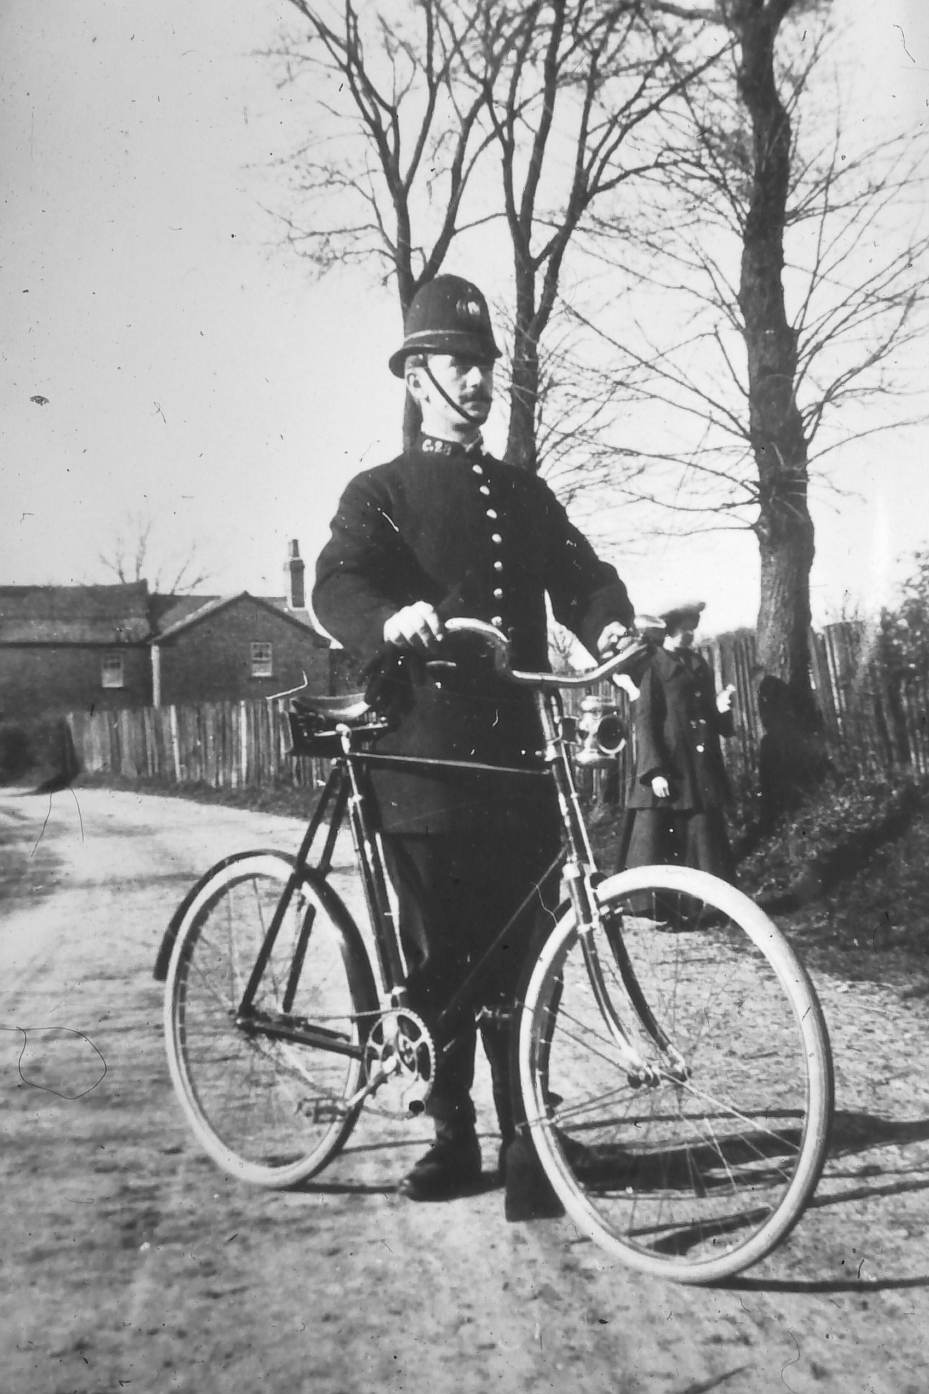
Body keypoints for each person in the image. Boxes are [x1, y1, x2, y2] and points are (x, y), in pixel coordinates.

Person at [312, 274, 635, 1207]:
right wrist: (390, 619)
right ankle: (453, 1136)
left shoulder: (521, 493)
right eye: (460, 364)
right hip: (422, 759)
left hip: (517, 763)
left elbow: (581, 576)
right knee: (443, 957)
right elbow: (337, 584)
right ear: (418, 378)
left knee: (531, 952)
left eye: (487, 365)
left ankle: (529, 1141)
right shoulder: (379, 491)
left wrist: (607, 626)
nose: (481, 380)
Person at [622, 600, 736, 884]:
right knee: (665, 840)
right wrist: (655, 771)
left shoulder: (699, 664)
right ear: (669, 630)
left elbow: (711, 715)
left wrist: (722, 710)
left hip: (699, 769)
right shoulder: (653, 665)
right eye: (684, 629)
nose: (690, 635)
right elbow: (645, 720)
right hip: (670, 766)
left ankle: (708, 905)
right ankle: (666, 907)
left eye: (692, 629)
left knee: (704, 837)